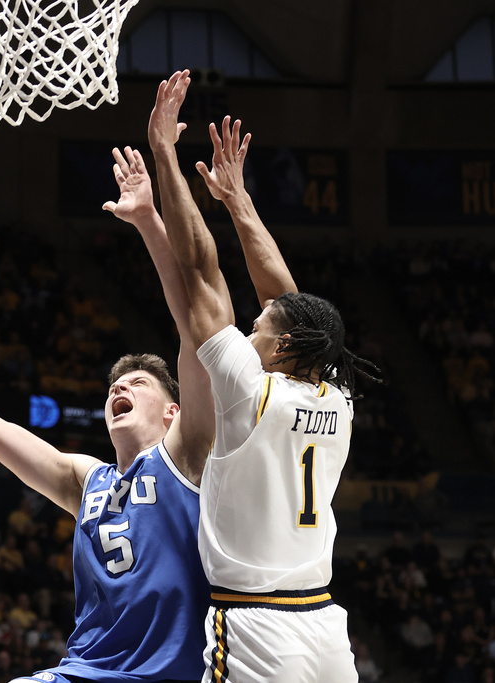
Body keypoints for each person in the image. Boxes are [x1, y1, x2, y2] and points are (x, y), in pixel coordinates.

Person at [0, 136, 293, 681]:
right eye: (115, 385)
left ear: (173, 410)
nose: (120, 389)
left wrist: (148, 223)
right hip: (84, 671)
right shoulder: (82, 479)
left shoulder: (188, 452)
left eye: (137, 383)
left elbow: (195, 322)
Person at [148, 70, 378, 681]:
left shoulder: (251, 389)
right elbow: (290, 302)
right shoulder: (338, 393)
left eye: (258, 328)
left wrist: (166, 155)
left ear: (283, 348)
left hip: (255, 622)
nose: (249, 330)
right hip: (325, 621)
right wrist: (237, 201)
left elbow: (199, 269)